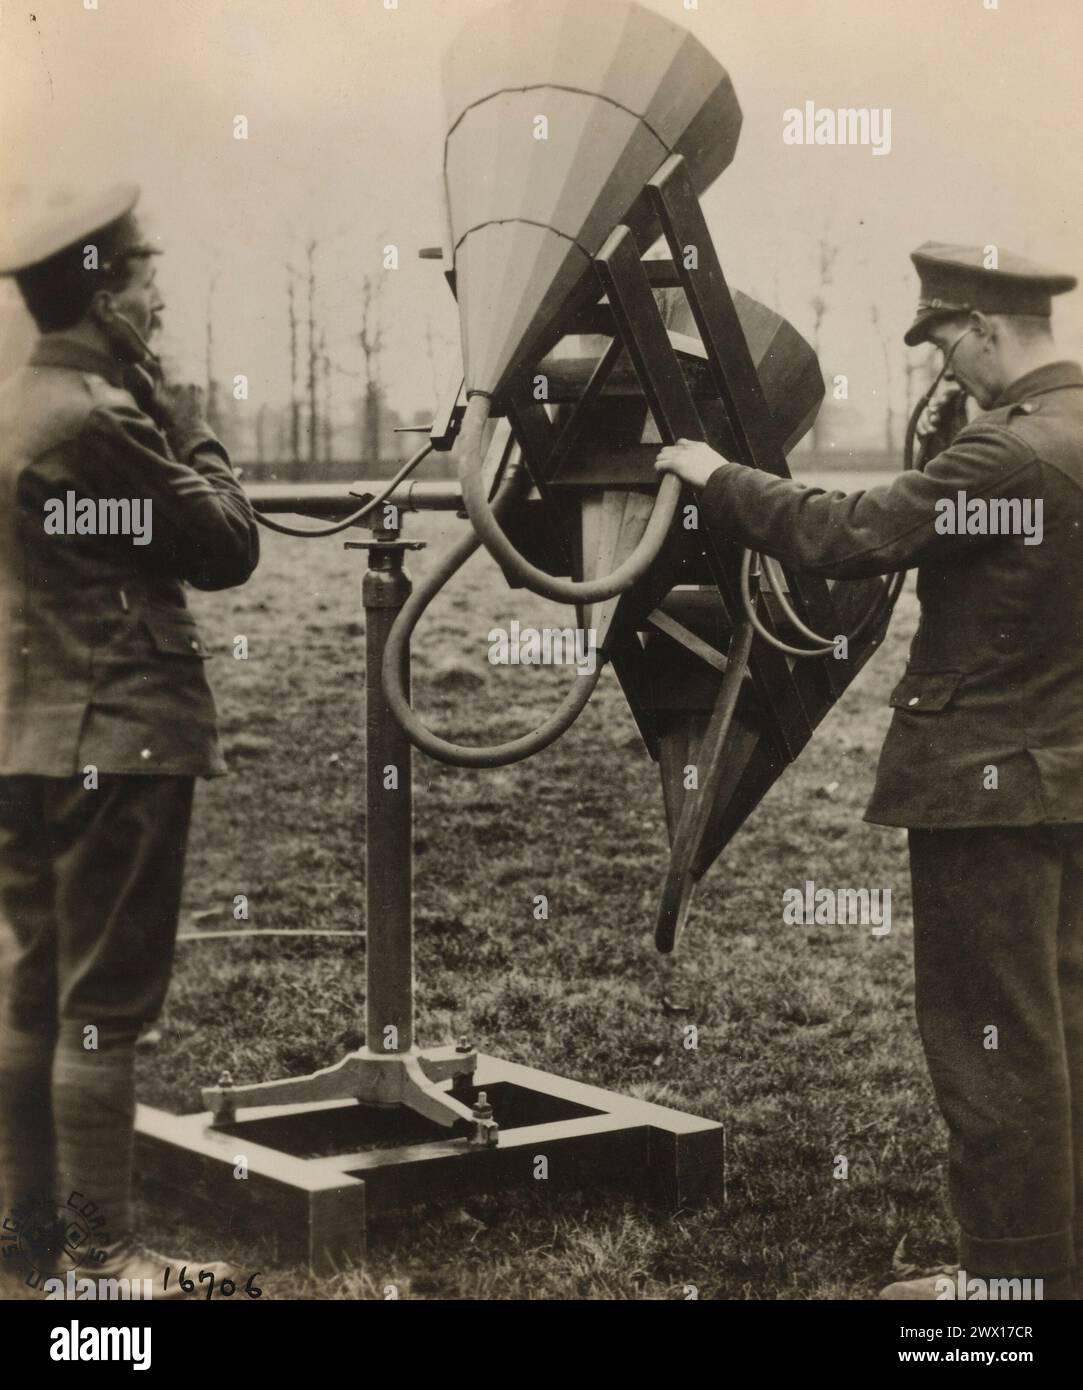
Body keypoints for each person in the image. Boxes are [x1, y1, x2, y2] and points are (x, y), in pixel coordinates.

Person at [656, 242, 1083, 1301]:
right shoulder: (1045, 440)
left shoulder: (1010, 459)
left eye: (947, 347)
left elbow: (843, 535)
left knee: (994, 1049)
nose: (945, 373)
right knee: (1063, 1026)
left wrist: (716, 477)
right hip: (1067, 774)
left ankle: (1008, 1290)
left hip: (985, 786)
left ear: (984, 330)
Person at [0, 185, 259, 1297]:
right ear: (105, 294)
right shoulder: (104, 419)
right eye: (146, 277)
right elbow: (225, 544)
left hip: (26, 737)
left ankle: (27, 1241)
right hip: (123, 739)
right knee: (103, 1004)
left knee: (33, 993)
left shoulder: (19, 409)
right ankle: (102, 1263)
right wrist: (188, 413)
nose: (158, 297)